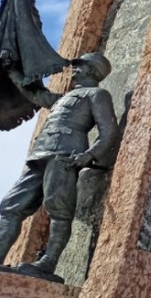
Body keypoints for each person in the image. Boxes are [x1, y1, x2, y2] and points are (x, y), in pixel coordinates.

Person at [0, 53, 118, 278]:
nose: (74, 69)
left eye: (80, 66)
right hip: (40, 156)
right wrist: (12, 70)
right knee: (10, 207)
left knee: (58, 210)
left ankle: (47, 264)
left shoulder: (96, 94)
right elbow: (36, 94)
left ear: (92, 72)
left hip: (65, 155)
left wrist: (89, 155)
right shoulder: (65, 97)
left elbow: (108, 131)